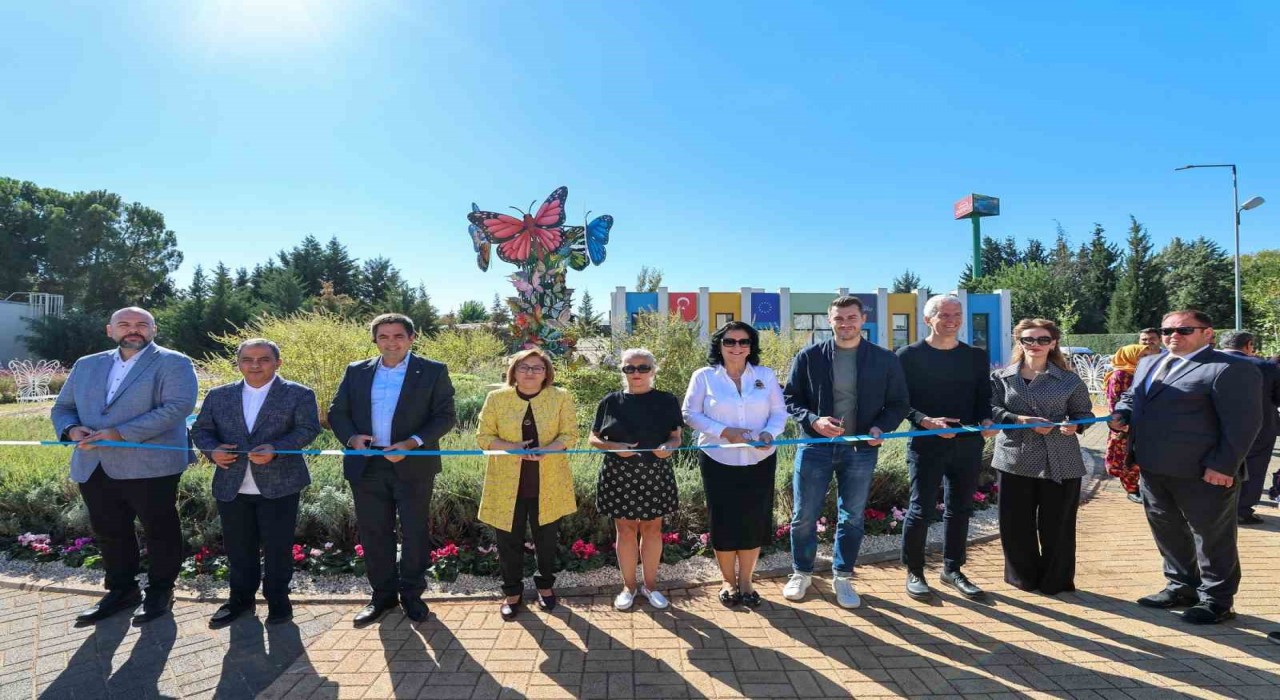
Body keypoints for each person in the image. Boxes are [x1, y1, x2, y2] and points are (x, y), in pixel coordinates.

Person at [1112, 310, 1262, 624]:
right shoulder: (1150, 362)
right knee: (1168, 531)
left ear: (1208, 333)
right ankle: (1181, 586)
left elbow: (1243, 424)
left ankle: (1217, 600)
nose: (1172, 337)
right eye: (1166, 331)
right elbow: (1132, 396)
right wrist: (1122, 414)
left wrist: (1223, 466)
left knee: (1211, 538)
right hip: (1153, 468)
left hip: (1204, 472)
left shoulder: (1229, 368)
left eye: (1183, 331)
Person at [51, 307, 198, 624]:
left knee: (161, 531)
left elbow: (178, 407)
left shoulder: (174, 362)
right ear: (110, 330)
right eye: (125, 324)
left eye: (142, 324)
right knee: (110, 532)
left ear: (153, 330)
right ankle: (122, 591)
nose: (134, 330)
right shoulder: (87, 364)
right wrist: (71, 430)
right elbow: (64, 407)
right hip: (94, 464)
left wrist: (120, 433)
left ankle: (161, 592)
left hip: (151, 465)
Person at [328, 313, 457, 626]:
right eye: (383, 336)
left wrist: (412, 443)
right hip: (367, 466)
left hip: (413, 465)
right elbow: (337, 411)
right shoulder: (356, 371)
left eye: (398, 336)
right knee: (374, 532)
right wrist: (351, 437)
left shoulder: (432, 371)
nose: (391, 342)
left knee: (414, 532)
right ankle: (382, 597)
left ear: (412, 338)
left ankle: (412, 595)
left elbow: (445, 417)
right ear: (375, 340)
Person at [781, 297, 910, 609]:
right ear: (830, 320)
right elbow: (789, 397)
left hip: (861, 450)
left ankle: (843, 576)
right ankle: (802, 572)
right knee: (803, 516)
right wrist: (813, 420)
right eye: (839, 318)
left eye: (851, 317)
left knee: (851, 517)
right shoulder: (810, 356)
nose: (845, 324)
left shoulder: (884, 359)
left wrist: (882, 428)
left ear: (863, 319)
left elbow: (898, 403)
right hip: (815, 447)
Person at [191, 339, 321, 627]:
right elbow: (201, 430)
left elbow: (308, 428)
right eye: (247, 359)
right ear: (238, 363)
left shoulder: (297, 393)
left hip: (280, 484)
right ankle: (240, 600)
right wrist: (212, 451)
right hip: (232, 483)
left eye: (263, 359)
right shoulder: (219, 395)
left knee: (278, 546)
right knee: (238, 547)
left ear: (278, 363)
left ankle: (278, 601)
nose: (255, 365)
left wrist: (276, 448)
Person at [895, 294, 996, 600]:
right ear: (928, 319)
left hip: (968, 444)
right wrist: (924, 421)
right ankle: (914, 572)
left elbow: (983, 396)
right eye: (944, 315)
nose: (952, 320)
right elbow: (899, 402)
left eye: (957, 314)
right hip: (926, 444)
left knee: (961, 508)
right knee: (920, 509)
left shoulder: (975, 356)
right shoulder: (908, 356)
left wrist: (987, 420)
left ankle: (953, 570)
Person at [684, 321, 788, 608]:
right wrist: (724, 431)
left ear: (751, 346)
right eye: (730, 341)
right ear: (719, 345)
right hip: (719, 459)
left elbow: (779, 413)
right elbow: (689, 414)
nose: (737, 347)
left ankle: (746, 581)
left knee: (753, 521)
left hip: (760, 458)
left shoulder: (765, 375)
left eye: (744, 342)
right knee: (725, 520)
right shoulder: (704, 376)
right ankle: (728, 581)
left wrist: (770, 433)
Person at [990, 318, 1094, 595]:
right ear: (1019, 342)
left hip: (1060, 459)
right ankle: (1022, 577)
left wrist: (1076, 425)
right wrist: (1019, 419)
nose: (1035, 345)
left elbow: (1085, 414)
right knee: (1015, 523)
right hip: (1014, 457)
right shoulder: (1001, 378)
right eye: (1028, 340)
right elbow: (992, 410)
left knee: (1058, 525)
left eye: (1042, 340)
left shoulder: (1069, 380)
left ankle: (1055, 581)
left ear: (1053, 343)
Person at [476, 349, 578, 620]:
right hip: (507, 484)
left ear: (547, 373)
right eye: (524, 367)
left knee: (546, 541)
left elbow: (571, 434)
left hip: (548, 482)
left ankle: (545, 588)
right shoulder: (496, 398)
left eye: (537, 367)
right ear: (513, 371)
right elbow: (483, 436)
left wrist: (551, 449)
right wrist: (510, 448)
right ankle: (512, 593)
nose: (530, 372)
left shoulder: (561, 397)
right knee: (508, 542)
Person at [589, 348, 683, 611]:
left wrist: (669, 447)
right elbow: (593, 438)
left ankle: (650, 586)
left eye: (642, 367)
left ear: (653, 371)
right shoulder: (610, 401)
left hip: (656, 472)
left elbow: (676, 437)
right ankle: (628, 587)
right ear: (622, 371)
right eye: (630, 368)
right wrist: (615, 446)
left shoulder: (666, 400)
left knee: (653, 530)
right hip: (619, 474)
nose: (636, 373)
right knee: (626, 530)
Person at [1216, 330, 1279, 525]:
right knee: (1254, 468)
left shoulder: (1208, 362)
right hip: (1259, 428)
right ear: (1249, 345)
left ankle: (1215, 509)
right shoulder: (1265, 367)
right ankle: (1241, 510)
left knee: (1216, 464)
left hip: (1216, 426)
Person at [1103, 344, 1161, 504]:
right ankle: (1131, 489)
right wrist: (1122, 422)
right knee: (1126, 460)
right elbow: (1114, 402)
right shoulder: (1120, 374)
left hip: (1143, 424)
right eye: (1142, 356)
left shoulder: (1144, 373)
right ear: (1130, 356)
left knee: (1139, 459)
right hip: (1125, 426)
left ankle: (1140, 488)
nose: (1146, 359)